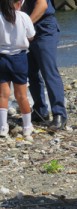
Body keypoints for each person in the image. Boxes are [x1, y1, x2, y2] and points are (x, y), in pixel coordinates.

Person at [22, 0, 68, 130]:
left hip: (43, 27)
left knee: (49, 71)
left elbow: (42, 5)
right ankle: (40, 110)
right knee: (31, 72)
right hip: (28, 29)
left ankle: (59, 114)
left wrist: (24, 26)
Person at [0, 0, 35, 138]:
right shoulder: (23, 16)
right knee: (22, 95)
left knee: (3, 95)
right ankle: (27, 126)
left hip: (2, 58)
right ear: (18, 3)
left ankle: (3, 127)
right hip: (19, 58)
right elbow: (31, 36)